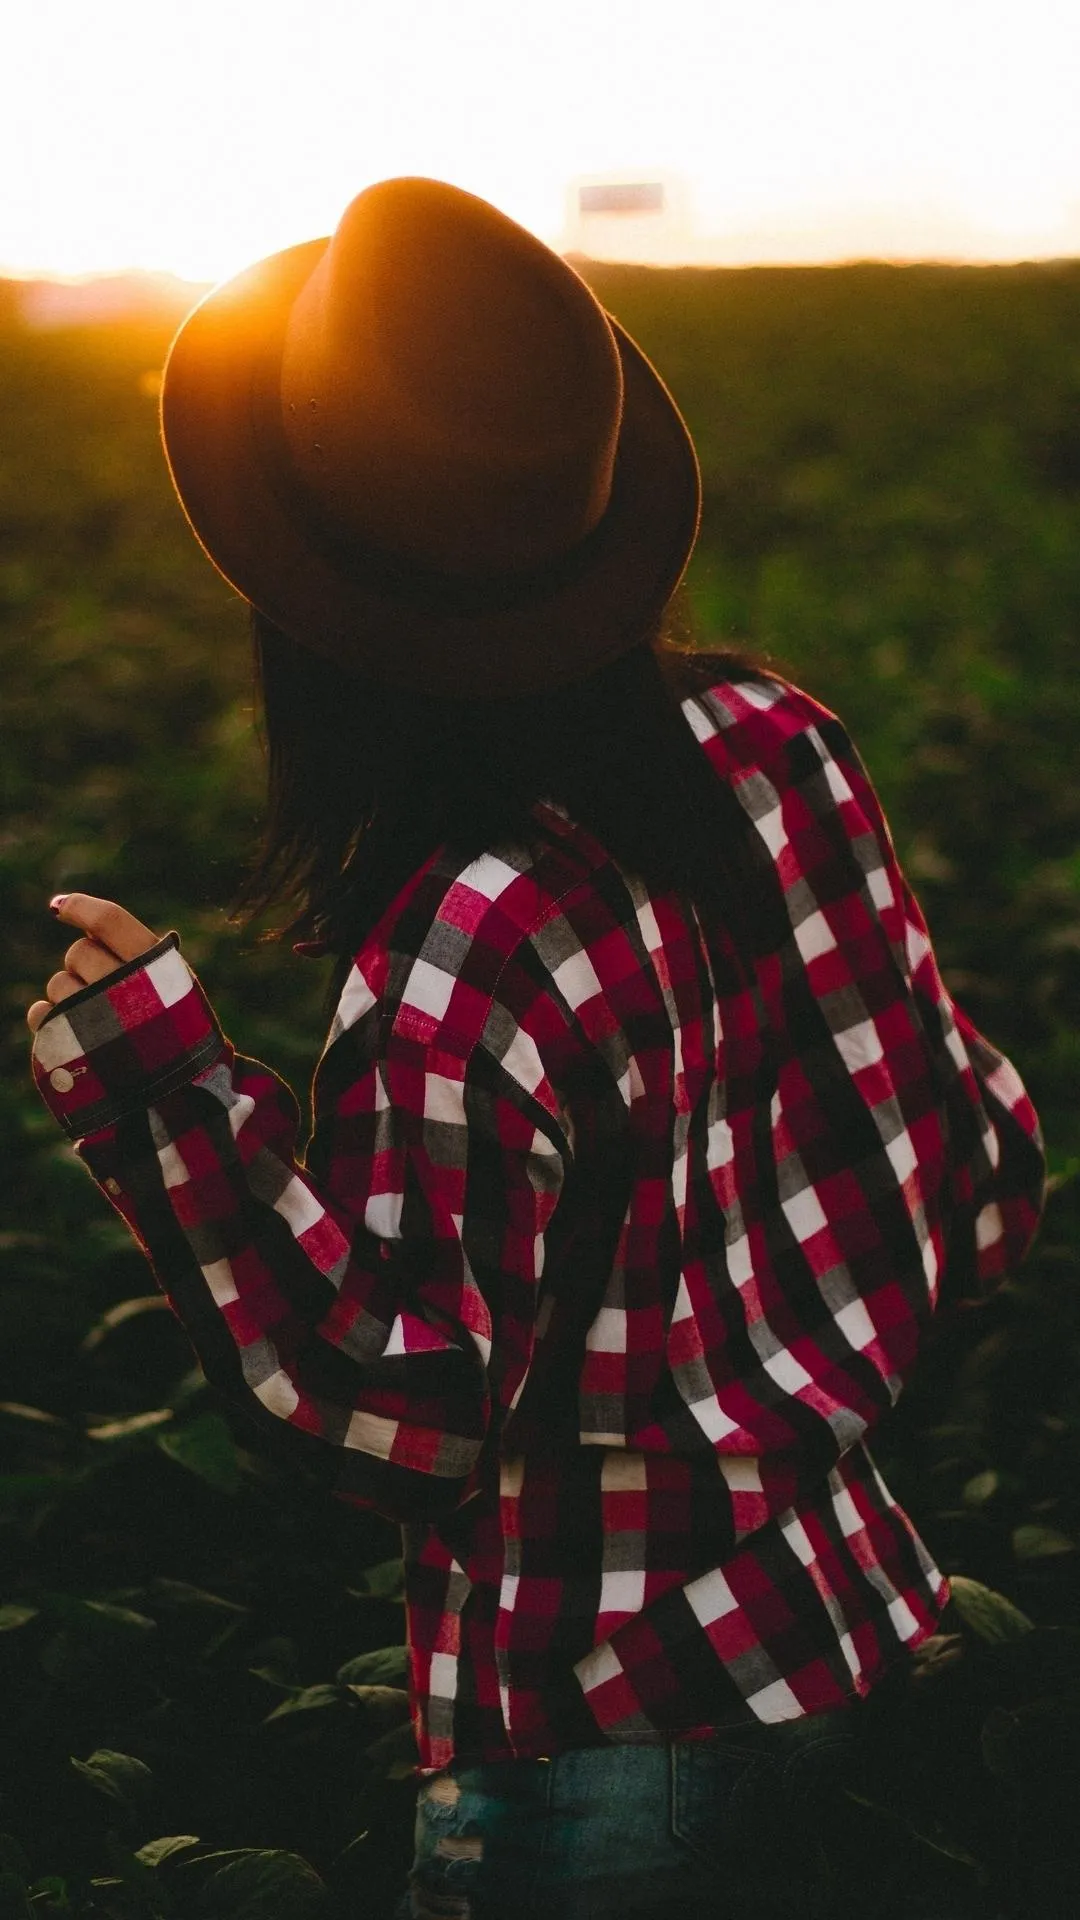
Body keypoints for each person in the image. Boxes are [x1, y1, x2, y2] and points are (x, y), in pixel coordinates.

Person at [27, 178, 1045, 1919]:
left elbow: (395, 1419)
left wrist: (168, 1095)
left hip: (598, 1761)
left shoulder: (463, 951)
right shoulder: (778, 744)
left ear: (319, 618)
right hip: (863, 1625)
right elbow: (979, 1165)